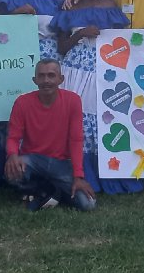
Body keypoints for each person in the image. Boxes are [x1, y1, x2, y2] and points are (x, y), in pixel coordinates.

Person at [52, 0, 140, 194]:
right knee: (75, 118)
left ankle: (105, 170)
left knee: (103, 117)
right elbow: (61, 47)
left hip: (104, 69)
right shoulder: (70, 8)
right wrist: (81, 33)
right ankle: (74, 172)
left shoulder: (110, 5)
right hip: (74, 69)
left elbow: (123, 40)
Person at [0, 0, 66, 186]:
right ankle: (6, 168)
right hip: (16, 63)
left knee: (47, 114)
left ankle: (46, 165)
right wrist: (14, 15)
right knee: (13, 112)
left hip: (49, 63)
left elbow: (63, 29)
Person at [5, 59, 97, 211]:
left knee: (88, 205)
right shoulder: (22, 102)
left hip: (61, 163)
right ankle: (49, 190)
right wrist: (12, 155)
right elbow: (13, 137)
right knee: (12, 173)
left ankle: (47, 191)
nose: (46, 80)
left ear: (61, 79)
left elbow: (76, 140)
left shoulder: (73, 100)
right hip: (33, 160)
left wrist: (78, 176)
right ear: (34, 80)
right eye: (41, 76)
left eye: (51, 75)